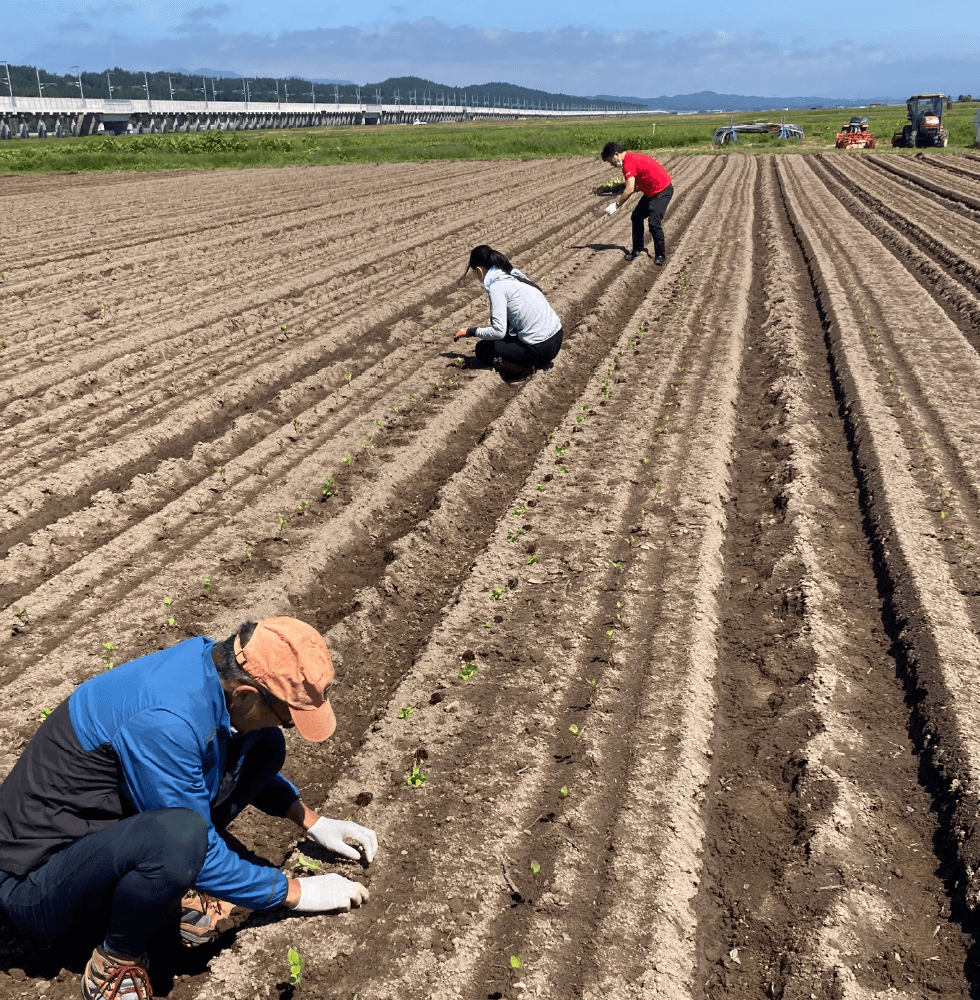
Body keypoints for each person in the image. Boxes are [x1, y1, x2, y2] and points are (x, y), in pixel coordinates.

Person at [0, 617, 377, 1000]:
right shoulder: (167, 722)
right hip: (36, 884)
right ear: (246, 694)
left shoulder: (210, 669)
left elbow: (220, 756)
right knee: (181, 839)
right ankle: (115, 960)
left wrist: (312, 821)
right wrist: (295, 891)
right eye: (287, 717)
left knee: (265, 745)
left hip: (99, 840)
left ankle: (166, 887)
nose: (288, 726)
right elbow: (198, 842)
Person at [454, 245, 563, 379]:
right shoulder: (514, 273)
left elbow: (498, 332)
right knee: (506, 334)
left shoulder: (497, 287)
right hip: (557, 337)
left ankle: (524, 368)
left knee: (483, 349)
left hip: (541, 350)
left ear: (479, 271)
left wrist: (470, 331)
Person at [600, 142, 673, 265]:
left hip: (662, 192)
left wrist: (617, 205)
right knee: (636, 217)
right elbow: (636, 185)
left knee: (654, 223)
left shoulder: (628, 163)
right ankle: (638, 249)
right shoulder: (631, 159)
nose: (612, 164)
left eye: (610, 161)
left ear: (616, 155)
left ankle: (660, 255)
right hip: (651, 192)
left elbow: (630, 189)